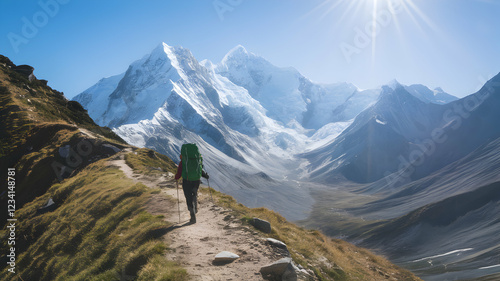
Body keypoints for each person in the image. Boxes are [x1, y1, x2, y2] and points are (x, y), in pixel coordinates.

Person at [175, 154, 209, 224]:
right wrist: (205, 175)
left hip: (186, 181)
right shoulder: (196, 161)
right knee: (194, 194)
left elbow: (179, 171)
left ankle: (192, 215)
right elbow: (199, 170)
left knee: (188, 197)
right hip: (196, 181)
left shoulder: (183, 162)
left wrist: (176, 178)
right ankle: (195, 207)